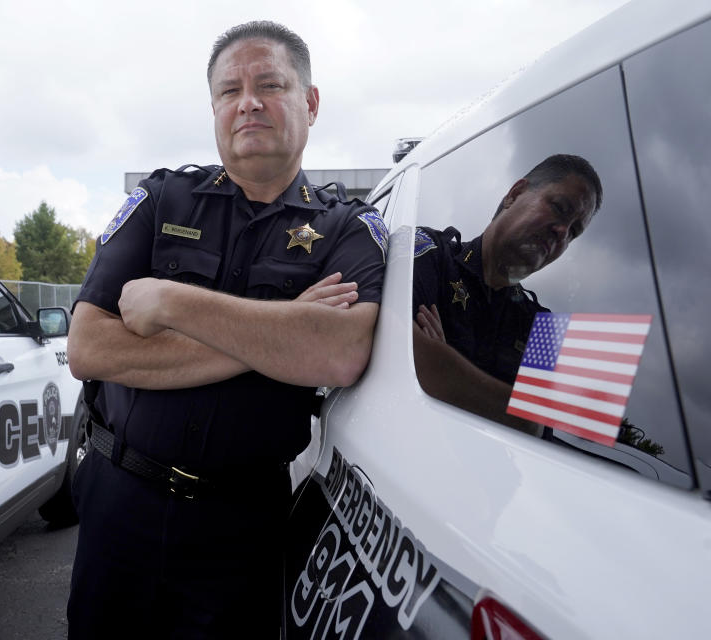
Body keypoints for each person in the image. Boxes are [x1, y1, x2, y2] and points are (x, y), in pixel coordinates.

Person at [64, 21, 388, 638]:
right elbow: (88, 348)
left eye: (270, 84)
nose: (248, 102)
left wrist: (172, 303)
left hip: (242, 524)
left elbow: (340, 353)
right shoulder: (161, 200)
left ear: (310, 102)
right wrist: (283, 335)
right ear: (213, 106)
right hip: (118, 504)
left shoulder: (350, 225)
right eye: (228, 91)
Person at [411, 154, 602, 433]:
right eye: (560, 208)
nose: (562, 232)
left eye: (574, 232)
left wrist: (442, 361)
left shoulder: (544, 330)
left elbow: (537, 430)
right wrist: (512, 407)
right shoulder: (430, 255)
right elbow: (402, 356)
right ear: (515, 194)